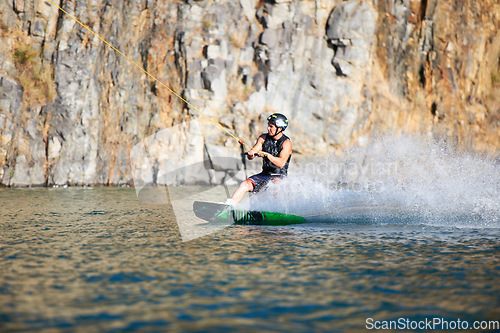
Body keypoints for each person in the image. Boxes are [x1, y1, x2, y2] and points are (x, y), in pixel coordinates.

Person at [227, 113, 292, 205]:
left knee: (276, 186)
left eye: (271, 126)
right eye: (268, 126)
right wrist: (251, 154)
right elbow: (253, 153)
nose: (268, 128)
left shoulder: (286, 143)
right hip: (264, 175)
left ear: (280, 128)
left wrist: (266, 155)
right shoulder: (263, 137)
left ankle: (278, 210)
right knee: (245, 184)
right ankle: (229, 206)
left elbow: (281, 163)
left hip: (279, 177)